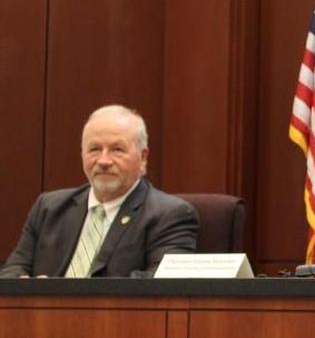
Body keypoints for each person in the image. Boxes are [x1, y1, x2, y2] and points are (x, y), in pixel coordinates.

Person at [0, 105, 198, 278]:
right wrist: (28, 285)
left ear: (143, 157)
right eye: (94, 149)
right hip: (40, 319)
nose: (103, 161)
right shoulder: (49, 207)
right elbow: (15, 268)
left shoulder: (170, 215)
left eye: (117, 149)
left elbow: (161, 283)